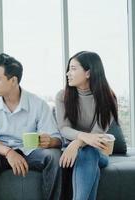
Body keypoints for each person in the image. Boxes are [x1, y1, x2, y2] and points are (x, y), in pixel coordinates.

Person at [0, 53, 62, 200]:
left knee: (53, 156)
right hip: (0, 152)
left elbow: (57, 140)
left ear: (13, 80)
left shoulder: (38, 103)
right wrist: (9, 153)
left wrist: (50, 141)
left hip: (30, 152)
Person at [56, 51, 118, 200]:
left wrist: (76, 142)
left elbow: (97, 136)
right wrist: (80, 139)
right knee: (91, 167)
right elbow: (63, 128)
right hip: (70, 152)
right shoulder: (62, 96)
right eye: (68, 69)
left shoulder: (108, 98)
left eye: (73, 68)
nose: (68, 73)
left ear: (88, 72)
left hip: (97, 152)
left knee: (88, 152)